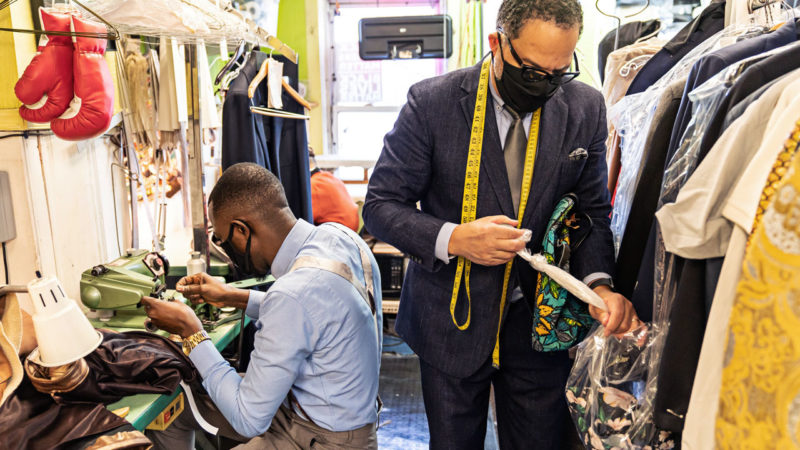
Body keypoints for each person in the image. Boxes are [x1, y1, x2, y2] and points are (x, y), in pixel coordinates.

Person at [362, 1, 639, 448]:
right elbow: (379, 206)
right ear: (497, 43)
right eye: (531, 70)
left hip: (539, 322)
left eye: (558, 72)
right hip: (449, 320)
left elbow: (590, 212)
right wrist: (453, 238)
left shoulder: (585, 106)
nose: (545, 85)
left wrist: (599, 284)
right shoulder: (432, 103)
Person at [142, 162, 382, 449]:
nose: (226, 250)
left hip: (324, 440)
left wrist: (191, 331)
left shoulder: (294, 294)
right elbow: (313, 314)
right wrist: (232, 295)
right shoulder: (339, 237)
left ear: (241, 230)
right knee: (178, 404)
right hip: (318, 413)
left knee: (223, 400)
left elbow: (248, 418)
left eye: (223, 240)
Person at [308, 147, 360, 231]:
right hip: (351, 231)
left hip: (339, 236)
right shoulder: (329, 177)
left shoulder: (314, 185)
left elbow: (302, 219)